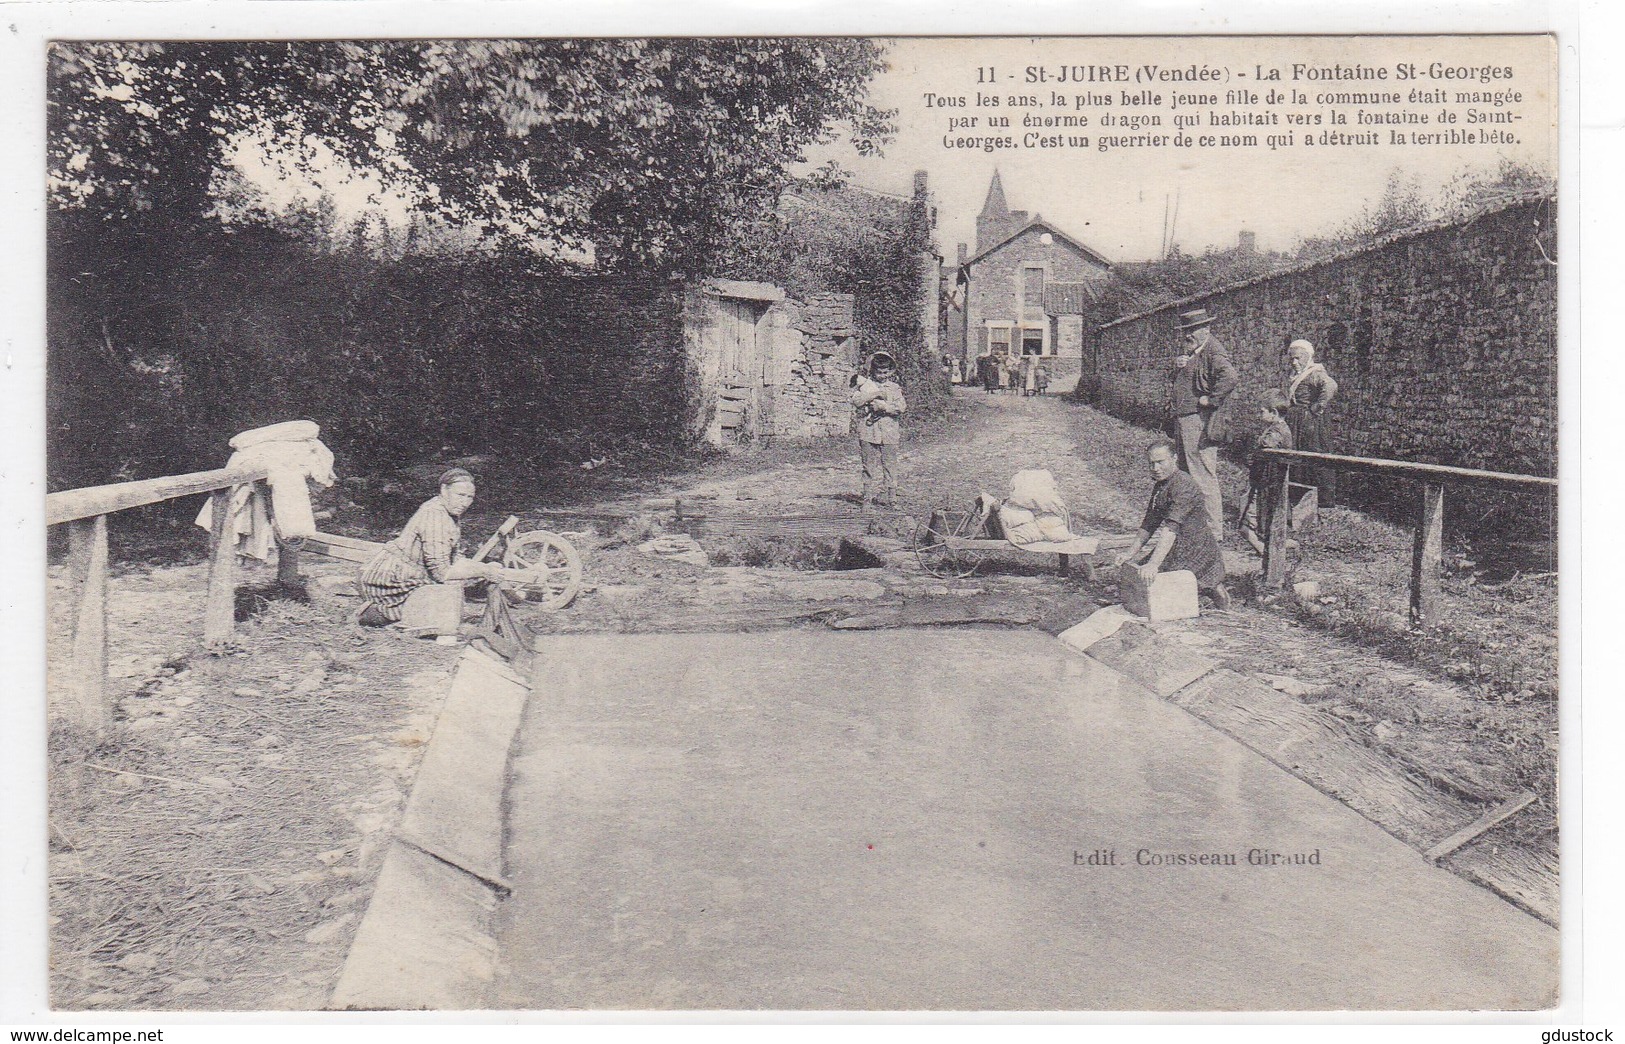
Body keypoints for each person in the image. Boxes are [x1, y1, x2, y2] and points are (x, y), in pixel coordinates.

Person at [355, 468, 510, 626]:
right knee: (435, 608)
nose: (465, 502)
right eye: (460, 495)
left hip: (407, 574)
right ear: (444, 490)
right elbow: (441, 572)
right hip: (390, 582)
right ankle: (376, 613)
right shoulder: (435, 514)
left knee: (448, 597)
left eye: (470, 497)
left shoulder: (448, 513)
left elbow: (453, 558)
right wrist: (484, 571)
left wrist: (482, 568)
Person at [1116, 439, 1231, 611]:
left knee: (1176, 582)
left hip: (1197, 547)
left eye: (1160, 462)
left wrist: (1154, 564)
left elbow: (1170, 528)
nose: (1156, 468)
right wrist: (1129, 553)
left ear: (1174, 458)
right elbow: (1149, 523)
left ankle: (1220, 600)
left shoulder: (1184, 486)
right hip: (1175, 545)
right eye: (1151, 464)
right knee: (1142, 577)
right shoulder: (1161, 486)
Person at [1168, 307, 1238, 542]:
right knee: (1188, 474)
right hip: (1185, 419)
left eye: (1193, 330)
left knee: (1203, 475)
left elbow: (1230, 377)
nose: (1188, 334)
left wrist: (1211, 399)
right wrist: (1179, 365)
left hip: (1199, 422)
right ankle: (1194, 526)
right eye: (1186, 330)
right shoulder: (1194, 351)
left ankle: (1213, 533)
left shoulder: (1213, 351)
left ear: (1205, 329)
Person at [1285, 338, 1340, 508]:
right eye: (1292, 358)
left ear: (1308, 357)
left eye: (1298, 358)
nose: (1295, 362)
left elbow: (1331, 386)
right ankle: (1299, 497)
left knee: (1315, 455)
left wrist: (1317, 407)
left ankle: (1324, 499)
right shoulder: (1297, 375)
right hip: (1297, 422)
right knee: (1297, 456)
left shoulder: (1315, 373)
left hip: (1311, 423)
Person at [1239, 391, 1295, 554]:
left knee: (1246, 526)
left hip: (1267, 484)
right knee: (1260, 523)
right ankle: (1271, 547)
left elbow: (1265, 446)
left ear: (1274, 413)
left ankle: (1266, 551)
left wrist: (1253, 452)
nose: (1259, 414)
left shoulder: (1276, 432)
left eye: (1262, 411)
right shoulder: (1278, 428)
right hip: (1266, 482)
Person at [851, 351, 906, 509]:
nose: (882, 375)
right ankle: (867, 498)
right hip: (869, 431)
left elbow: (901, 407)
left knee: (890, 465)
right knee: (869, 466)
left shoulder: (895, 388)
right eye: (879, 372)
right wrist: (874, 394)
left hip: (889, 431)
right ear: (873, 371)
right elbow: (856, 401)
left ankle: (892, 498)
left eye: (885, 372)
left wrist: (885, 407)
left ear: (890, 371)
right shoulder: (865, 386)